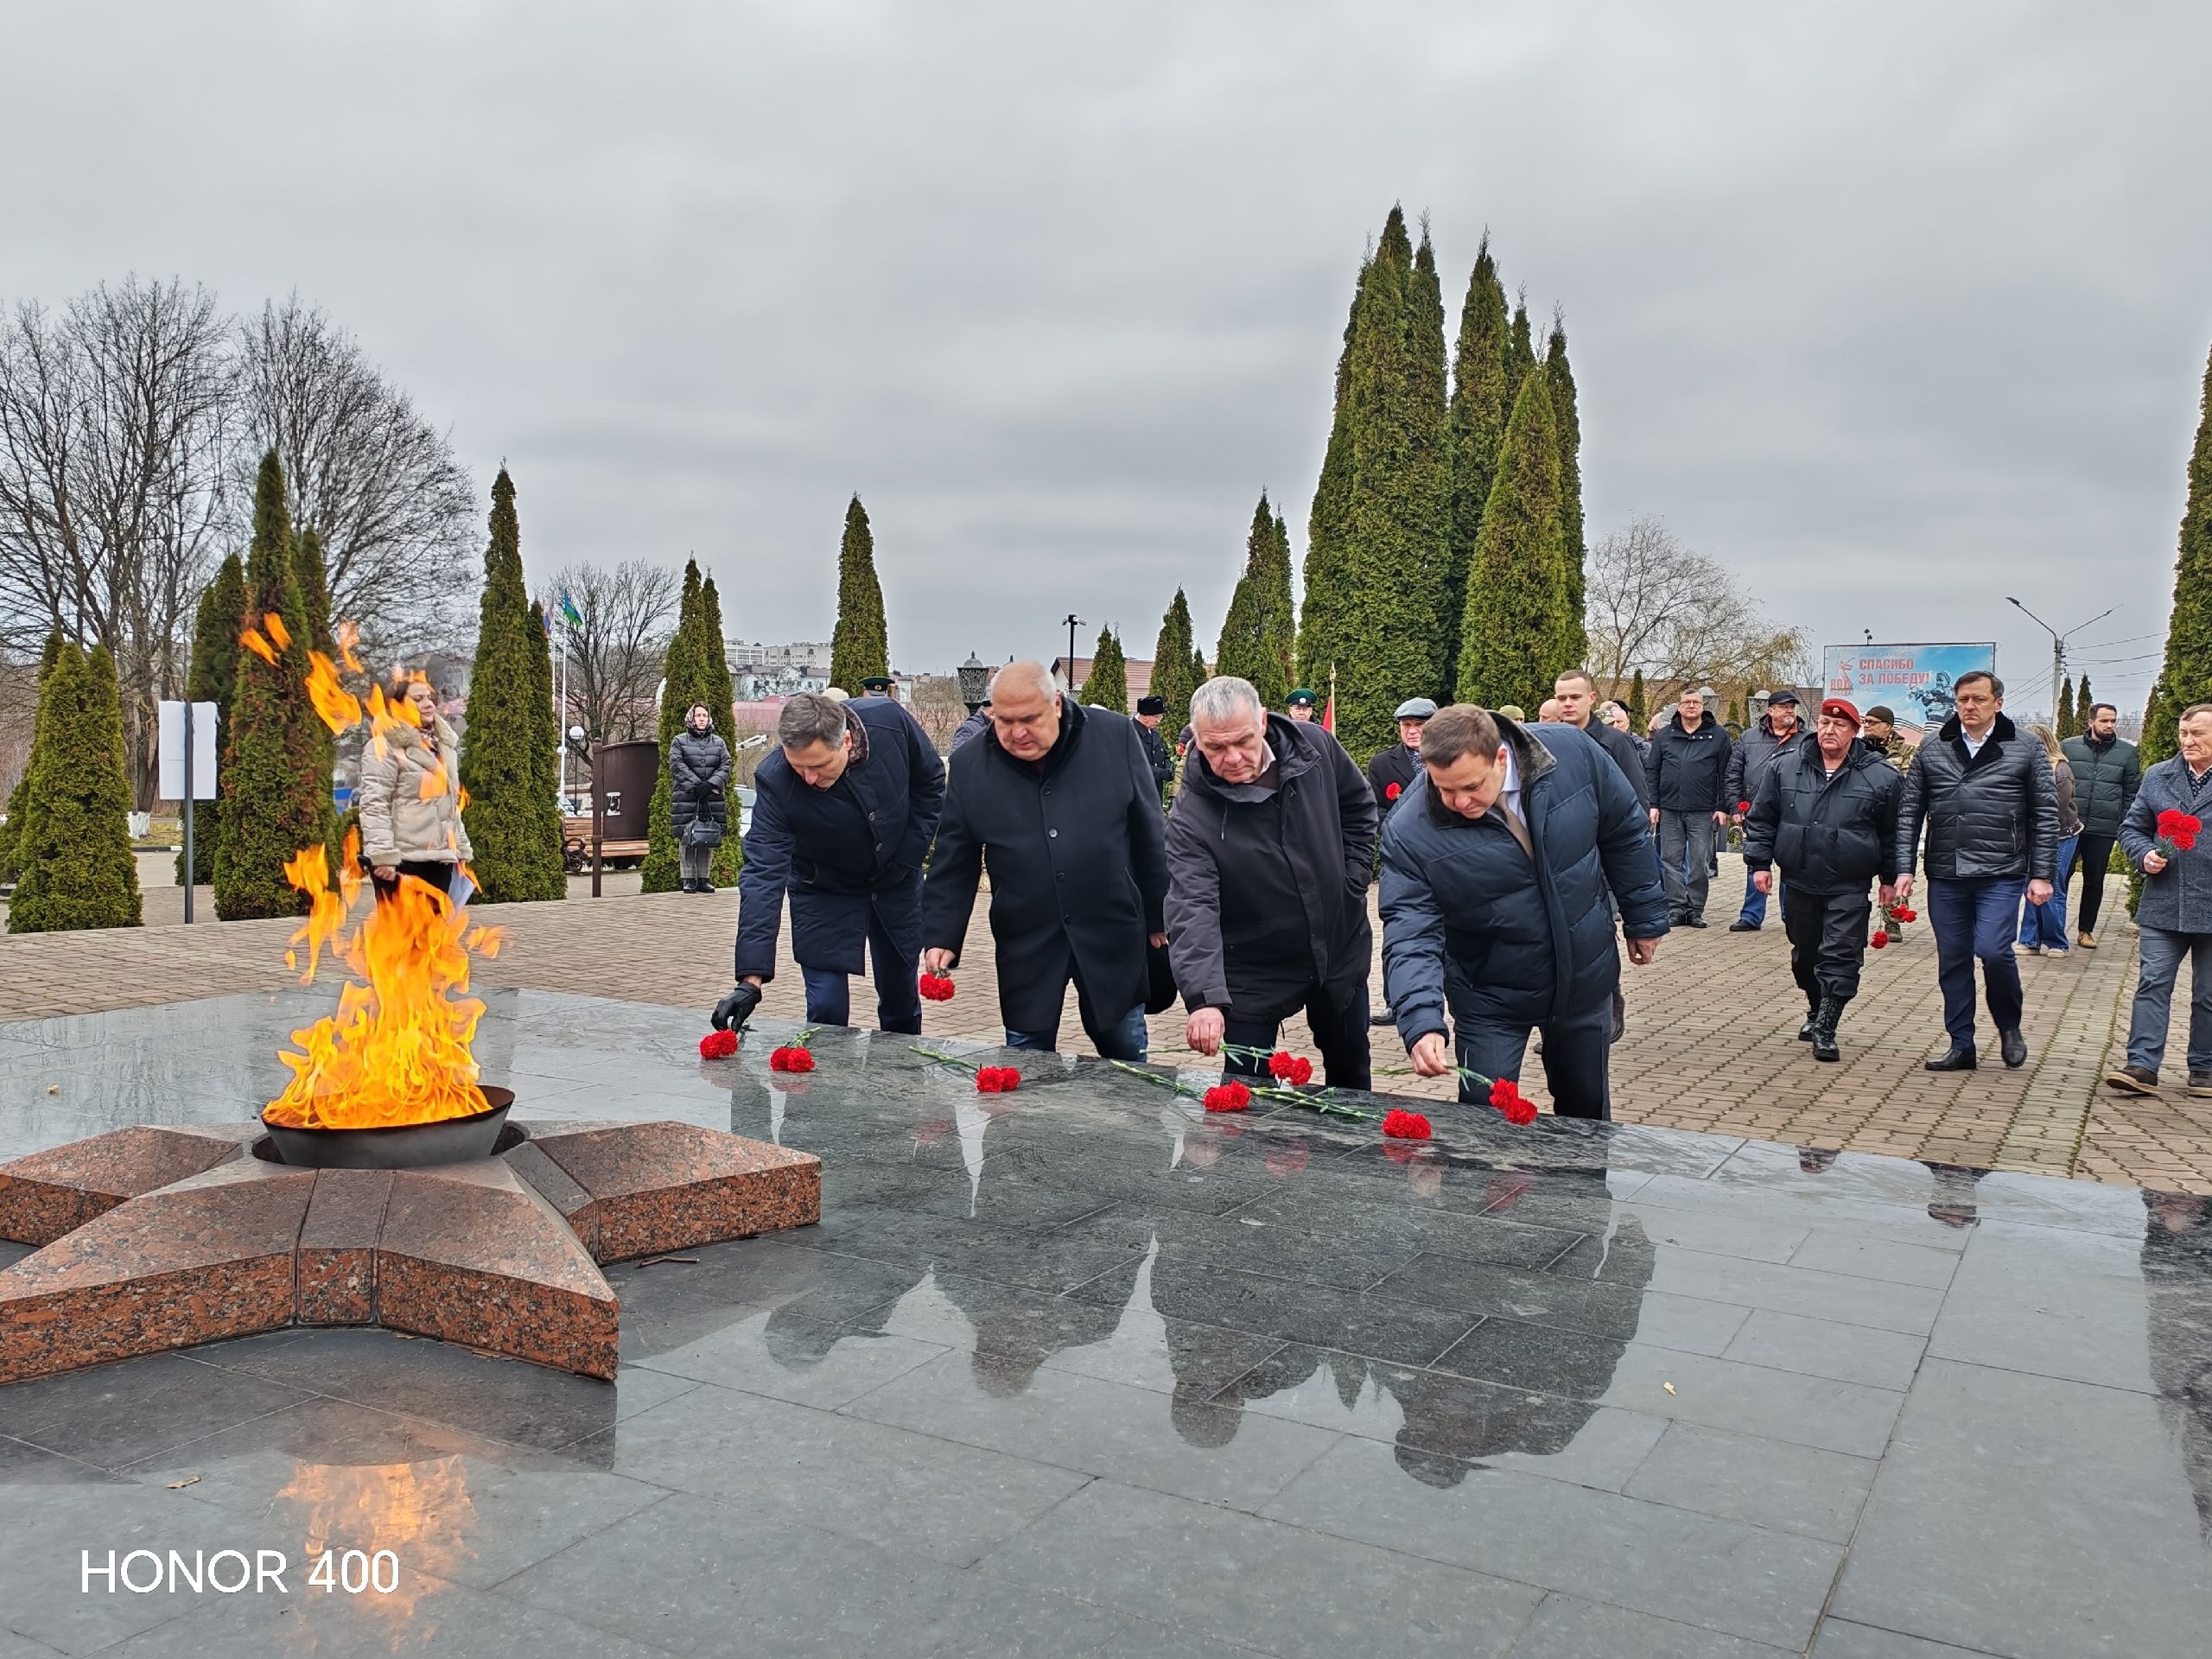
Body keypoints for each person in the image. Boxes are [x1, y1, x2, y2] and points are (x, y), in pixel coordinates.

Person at [1382, 705, 1666, 1119]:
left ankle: (1583, 1186)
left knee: (1587, 1120)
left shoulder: (1573, 754)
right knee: (1484, 1122)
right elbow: (1410, 930)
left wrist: (1644, 916)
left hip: (1584, 982)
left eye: (1471, 786)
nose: (1459, 801)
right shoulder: (1409, 830)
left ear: (1501, 758)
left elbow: (1623, 830)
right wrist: (1421, 1020)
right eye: (1444, 789)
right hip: (1489, 993)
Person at [920, 662, 1169, 1059]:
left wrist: (1159, 914)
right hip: (1027, 938)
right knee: (1024, 1059)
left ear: (1056, 703)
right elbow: (954, 859)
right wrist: (941, 936)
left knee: (1125, 1056)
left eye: (1030, 719)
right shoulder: (970, 766)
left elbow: (1149, 831)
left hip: (1111, 928)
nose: (1018, 733)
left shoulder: (1114, 737)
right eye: (1005, 721)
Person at [1167, 677, 1376, 1088]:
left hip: (1337, 947)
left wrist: (1351, 883)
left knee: (1351, 1074)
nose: (1231, 758)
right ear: (1197, 741)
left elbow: (1358, 806)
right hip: (1251, 964)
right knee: (1244, 1088)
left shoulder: (1316, 747)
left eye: (1242, 741)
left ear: (1262, 722)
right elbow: (1192, 903)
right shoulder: (1191, 813)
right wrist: (1205, 999)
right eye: (1215, 747)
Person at [715, 690, 944, 1036]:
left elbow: (930, 784)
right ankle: (823, 1088)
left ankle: (900, 1083)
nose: (808, 778)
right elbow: (763, 874)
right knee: (826, 1007)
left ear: (847, 742)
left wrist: (907, 857)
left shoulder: (890, 722)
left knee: (900, 999)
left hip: (896, 879)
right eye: (799, 766)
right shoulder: (775, 780)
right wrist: (751, 979)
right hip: (822, 889)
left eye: (819, 765)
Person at [1896, 671, 2057, 1071]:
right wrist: (1903, 868)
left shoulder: (2025, 747)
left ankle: (2009, 1026)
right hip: (1946, 871)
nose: (1969, 707)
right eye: (1963, 700)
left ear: (1997, 703)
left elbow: (2045, 813)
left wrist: (2042, 874)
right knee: (1952, 958)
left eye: (1978, 700)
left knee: (1993, 950)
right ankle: (1961, 1044)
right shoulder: (1934, 746)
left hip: (2001, 870)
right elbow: (1909, 811)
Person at [1741, 698, 1904, 1061]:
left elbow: (1893, 833)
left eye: (1840, 725)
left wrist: (1890, 880)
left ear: (1854, 730)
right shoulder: (1786, 767)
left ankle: (1827, 1026)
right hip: (1798, 879)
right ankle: (1815, 1009)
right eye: (1825, 724)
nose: (1830, 731)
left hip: (1849, 882)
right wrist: (1760, 864)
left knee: (1842, 954)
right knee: (1806, 955)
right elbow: (1763, 817)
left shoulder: (1882, 776)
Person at [2106, 703, 2212, 1096]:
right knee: (2153, 983)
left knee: (2208, 992)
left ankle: (2205, 1067)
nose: (2188, 741)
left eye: (2197, 733)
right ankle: (2142, 1066)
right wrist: (2143, 853)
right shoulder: (2158, 776)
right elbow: (2132, 827)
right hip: (2164, 901)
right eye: (2184, 733)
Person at [358, 673, 471, 905]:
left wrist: (460, 848)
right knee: (402, 939)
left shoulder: (443, 746)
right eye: (418, 699)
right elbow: (374, 804)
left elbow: (450, 803)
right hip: (401, 863)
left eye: (429, 697)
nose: (428, 704)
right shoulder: (383, 746)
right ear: (397, 705)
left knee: (436, 938)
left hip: (440, 860)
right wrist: (383, 857)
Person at [1643, 686, 1732, 928]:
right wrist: (1653, 804)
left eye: (1696, 702)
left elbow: (1727, 774)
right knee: (1670, 860)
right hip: (1669, 809)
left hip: (1703, 810)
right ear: (1679, 706)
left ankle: (1695, 910)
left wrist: (1723, 806)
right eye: (1686, 702)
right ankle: (1676, 908)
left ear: (1703, 706)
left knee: (1699, 862)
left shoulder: (1718, 735)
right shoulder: (1664, 735)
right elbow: (1653, 771)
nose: (1691, 706)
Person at [2061, 700, 2141, 950]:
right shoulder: (2069, 747)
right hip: (2070, 826)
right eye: (2104, 720)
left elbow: (2131, 793)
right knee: (2061, 877)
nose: (2109, 725)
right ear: (2091, 722)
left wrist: (2124, 823)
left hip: (2104, 828)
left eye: (2113, 721)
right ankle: (2054, 928)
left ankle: (2086, 930)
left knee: (2094, 881)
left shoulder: (2127, 753)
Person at [1725, 690, 1802, 931]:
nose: (1789, 710)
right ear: (1770, 711)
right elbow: (1733, 774)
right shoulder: (1748, 738)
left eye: (1792, 707)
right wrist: (1736, 805)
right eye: (1783, 707)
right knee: (1756, 861)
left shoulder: (1808, 739)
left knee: (1791, 864)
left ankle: (1791, 915)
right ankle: (1751, 915)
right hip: (1758, 811)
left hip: (1796, 812)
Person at [2018, 724, 2080, 956]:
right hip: (2031, 835)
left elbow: (2055, 811)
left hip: (2060, 836)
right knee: (2031, 886)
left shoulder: (2060, 770)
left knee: (2052, 886)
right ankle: (2029, 939)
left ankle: (2056, 942)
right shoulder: (2024, 767)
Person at [1554, 672, 1649, 808]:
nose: (1568, 703)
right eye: (1562, 698)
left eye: (1575, 697)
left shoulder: (1617, 741)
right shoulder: (1549, 742)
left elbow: (1637, 794)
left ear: (1591, 698)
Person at [668, 702, 732, 894]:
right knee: (687, 836)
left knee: (707, 835)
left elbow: (726, 764)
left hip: (711, 796)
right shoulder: (679, 741)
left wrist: (711, 784)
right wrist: (697, 786)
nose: (702, 719)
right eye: (698, 716)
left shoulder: (719, 742)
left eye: (705, 715)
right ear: (691, 718)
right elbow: (677, 765)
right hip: (687, 796)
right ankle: (688, 879)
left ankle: (704, 878)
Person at [1367, 697, 1434, 818]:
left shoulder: (1452, 758)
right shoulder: (1381, 764)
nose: (1412, 731)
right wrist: (1393, 832)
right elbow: (1374, 807)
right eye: (1406, 725)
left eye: (1419, 724)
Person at [1134, 694, 1176, 799]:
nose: (1159, 720)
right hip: (1140, 791)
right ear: (1144, 716)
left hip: (1156, 789)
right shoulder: (1131, 732)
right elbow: (1136, 764)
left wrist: (1169, 768)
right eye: (1156, 717)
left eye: (1160, 717)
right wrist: (1161, 773)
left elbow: (1164, 755)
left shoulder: (1153, 732)